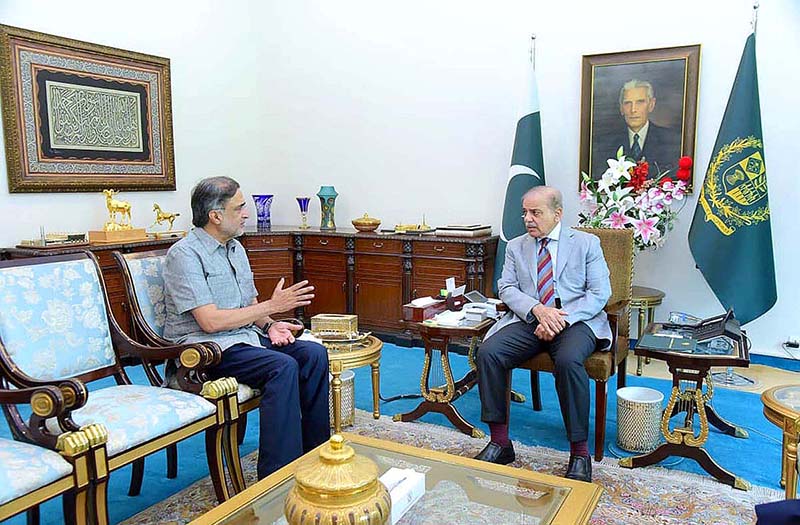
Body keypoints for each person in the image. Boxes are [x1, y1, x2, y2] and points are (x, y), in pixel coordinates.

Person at [163, 176, 330, 480]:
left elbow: (250, 305)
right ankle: (277, 476)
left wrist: (270, 325)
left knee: (313, 354)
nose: (246, 213)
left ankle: (316, 456)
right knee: (281, 366)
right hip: (204, 350)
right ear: (215, 216)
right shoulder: (184, 255)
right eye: (239, 207)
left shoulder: (235, 248)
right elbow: (210, 321)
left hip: (243, 339)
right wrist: (270, 307)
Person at [474, 186, 611, 483]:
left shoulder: (587, 243)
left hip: (576, 320)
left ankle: (579, 453)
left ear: (557, 214)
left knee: (569, 359)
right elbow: (507, 288)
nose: (527, 219)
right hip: (532, 317)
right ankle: (500, 442)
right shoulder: (516, 246)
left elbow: (600, 293)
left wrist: (561, 317)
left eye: (535, 212)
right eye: (524, 212)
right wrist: (538, 310)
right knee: (489, 352)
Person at [591, 79, 681, 179]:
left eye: (640, 102)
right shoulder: (605, 144)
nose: (633, 110)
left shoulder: (671, 140)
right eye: (627, 103)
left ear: (651, 105)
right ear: (621, 108)